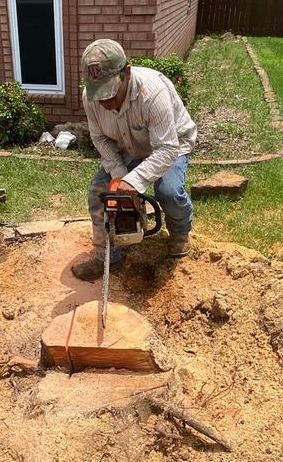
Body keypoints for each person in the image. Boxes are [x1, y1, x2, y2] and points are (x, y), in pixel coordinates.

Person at [71, 38, 197, 282]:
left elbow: (166, 148)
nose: (105, 102)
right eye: (100, 94)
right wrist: (119, 173)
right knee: (100, 192)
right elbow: (100, 138)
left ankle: (180, 234)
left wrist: (136, 180)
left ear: (126, 73)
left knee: (168, 191)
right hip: (126, 146)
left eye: (109, 92)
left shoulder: (153, 93)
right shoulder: (90, 98)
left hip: (170, 144)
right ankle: (108, 255)